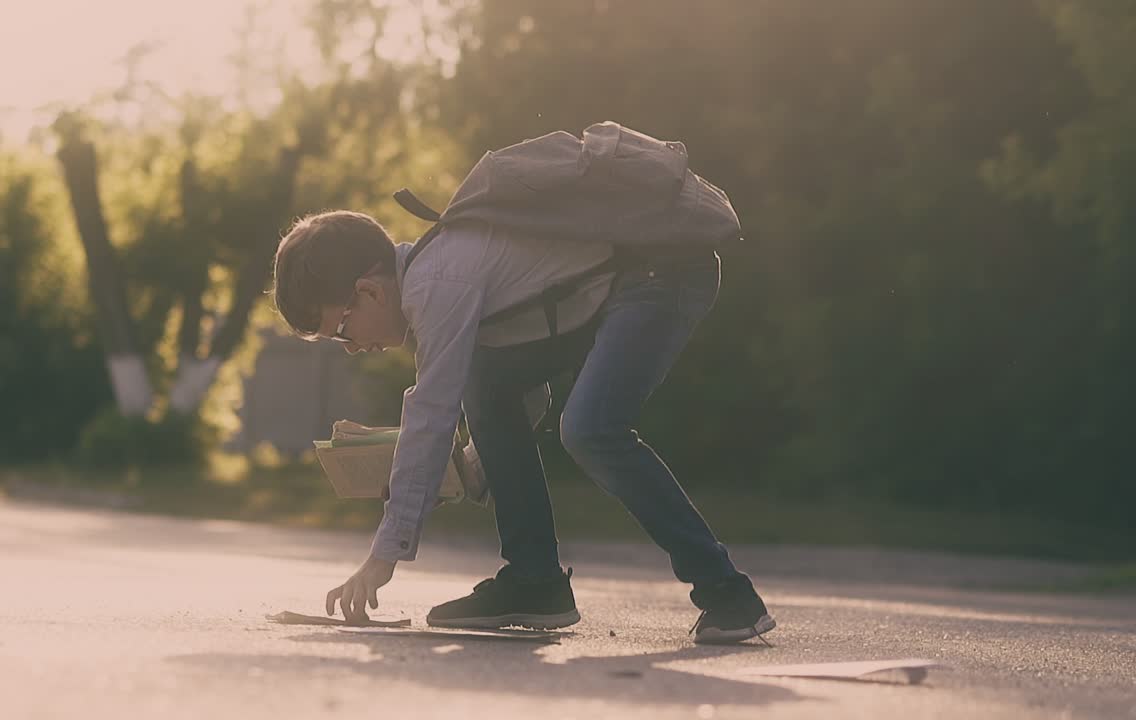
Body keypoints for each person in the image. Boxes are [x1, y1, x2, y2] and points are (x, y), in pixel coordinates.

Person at [270, 145, 774, 646]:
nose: (353, 348)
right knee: (485, 379)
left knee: (592, 430)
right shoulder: (442, 277)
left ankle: (728, 595)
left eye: (340, 330)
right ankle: (536, 584)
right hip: (615, 289)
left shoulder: (435, 282)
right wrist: (468, 466)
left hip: (662, 273)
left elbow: (431, 413)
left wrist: (384, 557)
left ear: (370, 291)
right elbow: (519, 395)